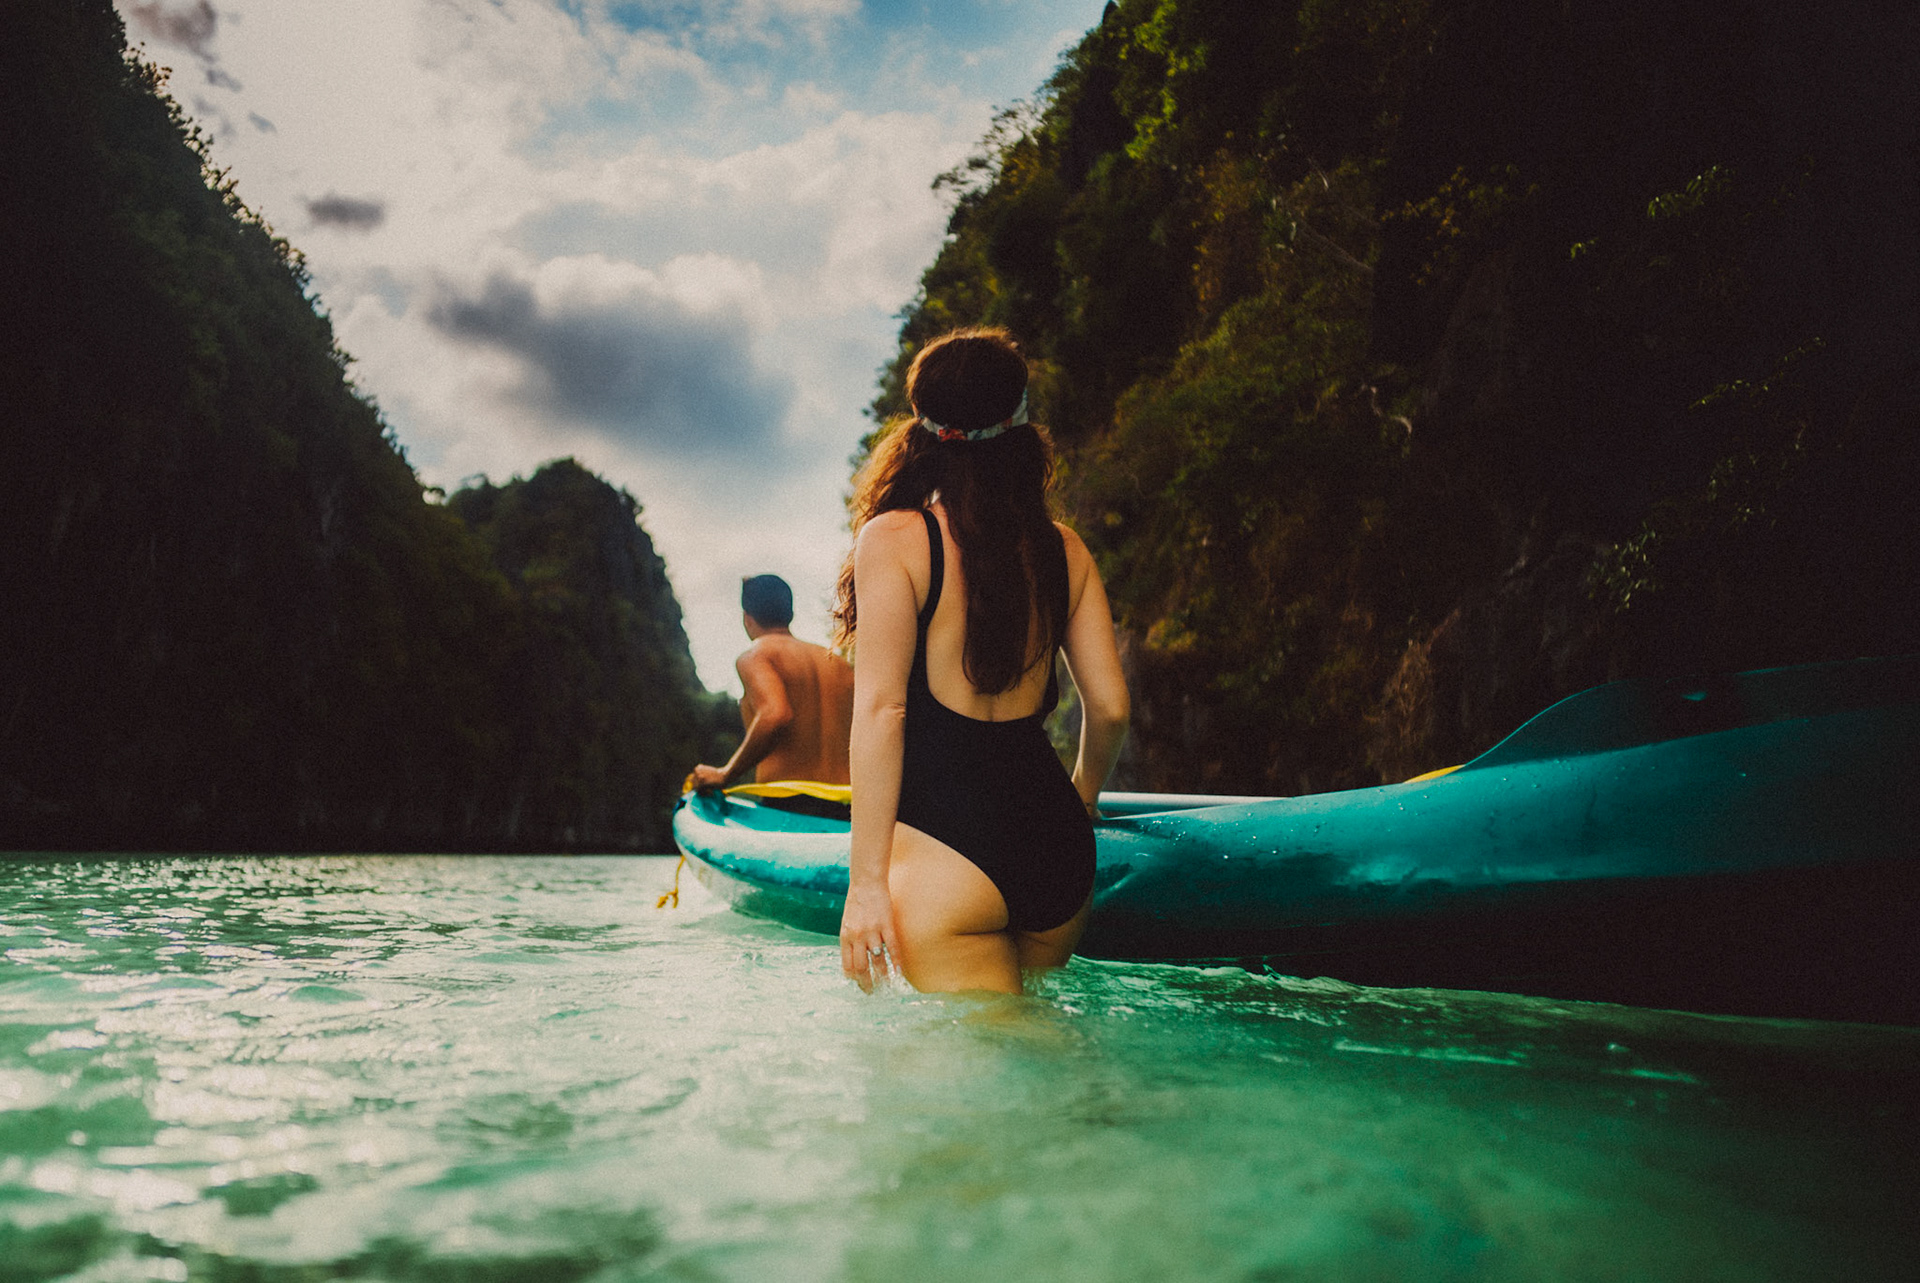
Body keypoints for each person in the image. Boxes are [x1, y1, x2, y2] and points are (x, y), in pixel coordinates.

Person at [832, 328, 1129, 995]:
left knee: (988, 1083)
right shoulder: (1067, 550)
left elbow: (883, 711)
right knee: (1045, 1050)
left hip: (948, 852)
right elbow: (1110, 707)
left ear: (923, 427)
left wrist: (866, 885)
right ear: (1021, 423)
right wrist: (1081, 797)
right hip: (1056, 847)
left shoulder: (897, 539)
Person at [691, 574, 855, 817]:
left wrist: (726, 774)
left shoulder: (757, 655)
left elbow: (775, 714)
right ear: (790, 613)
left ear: (747, 618)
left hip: (789, 805)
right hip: (847, 804)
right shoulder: (838, 663)